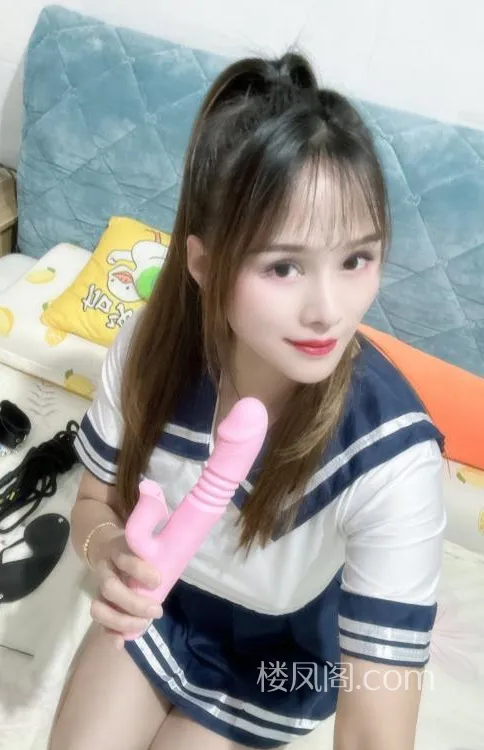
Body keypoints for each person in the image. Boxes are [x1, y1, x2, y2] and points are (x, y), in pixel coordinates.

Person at [48, 50, 446, 750]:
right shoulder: (150, 353)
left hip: (281, 661)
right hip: (166, 609)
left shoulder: (392, 457)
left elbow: (376, 727)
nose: (328, 310)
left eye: (356, 259)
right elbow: (95, 502)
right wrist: (107, 552)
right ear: (203, 263)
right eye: (284, 266)